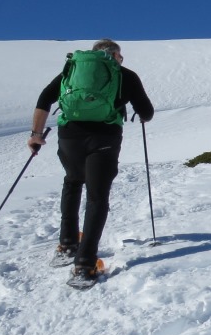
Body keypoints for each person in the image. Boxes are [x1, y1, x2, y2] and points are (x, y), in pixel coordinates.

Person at [28, 39, 154, 281]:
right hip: (104, 137)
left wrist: (36, 135)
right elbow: (146, 112)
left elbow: (45, 98)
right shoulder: (125, 75)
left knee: (73, 181)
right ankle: (85, 264)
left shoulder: (74, 69)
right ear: (116, 55)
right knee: (97, 196)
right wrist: (139, 111)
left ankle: (67, 245)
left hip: (70, 136)